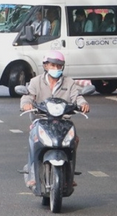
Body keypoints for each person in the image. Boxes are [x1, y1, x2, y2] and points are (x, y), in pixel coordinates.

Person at [18, 51, 89, 189]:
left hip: (63, 120)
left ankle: (69, 174)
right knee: (34, 138)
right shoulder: (35, 81)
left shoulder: (69, 82)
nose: (55, 68)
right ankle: (33, 174)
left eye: (58, 66)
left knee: (75, 139)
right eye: (52, 65)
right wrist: (26, 104)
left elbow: (77, 97)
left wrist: (83, 104)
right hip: (41, 120)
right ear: (45, 66)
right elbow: (27, 96)